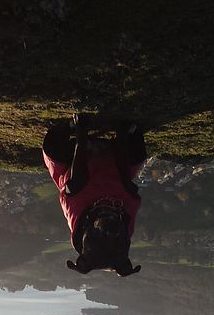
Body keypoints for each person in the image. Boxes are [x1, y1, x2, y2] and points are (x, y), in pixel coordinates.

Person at [42, 114, 147, 276]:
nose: (108, 234)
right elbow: (124, 180)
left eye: (98, 238)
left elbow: (79, 170)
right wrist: (122, 136)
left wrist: (81, 131)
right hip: (113, 165)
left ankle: (68, 127)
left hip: (77, 159)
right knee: (138, 154)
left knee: (52, 151)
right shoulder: (126, 223)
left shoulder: (76, 211)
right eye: (117, 239)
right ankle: (124, 134)